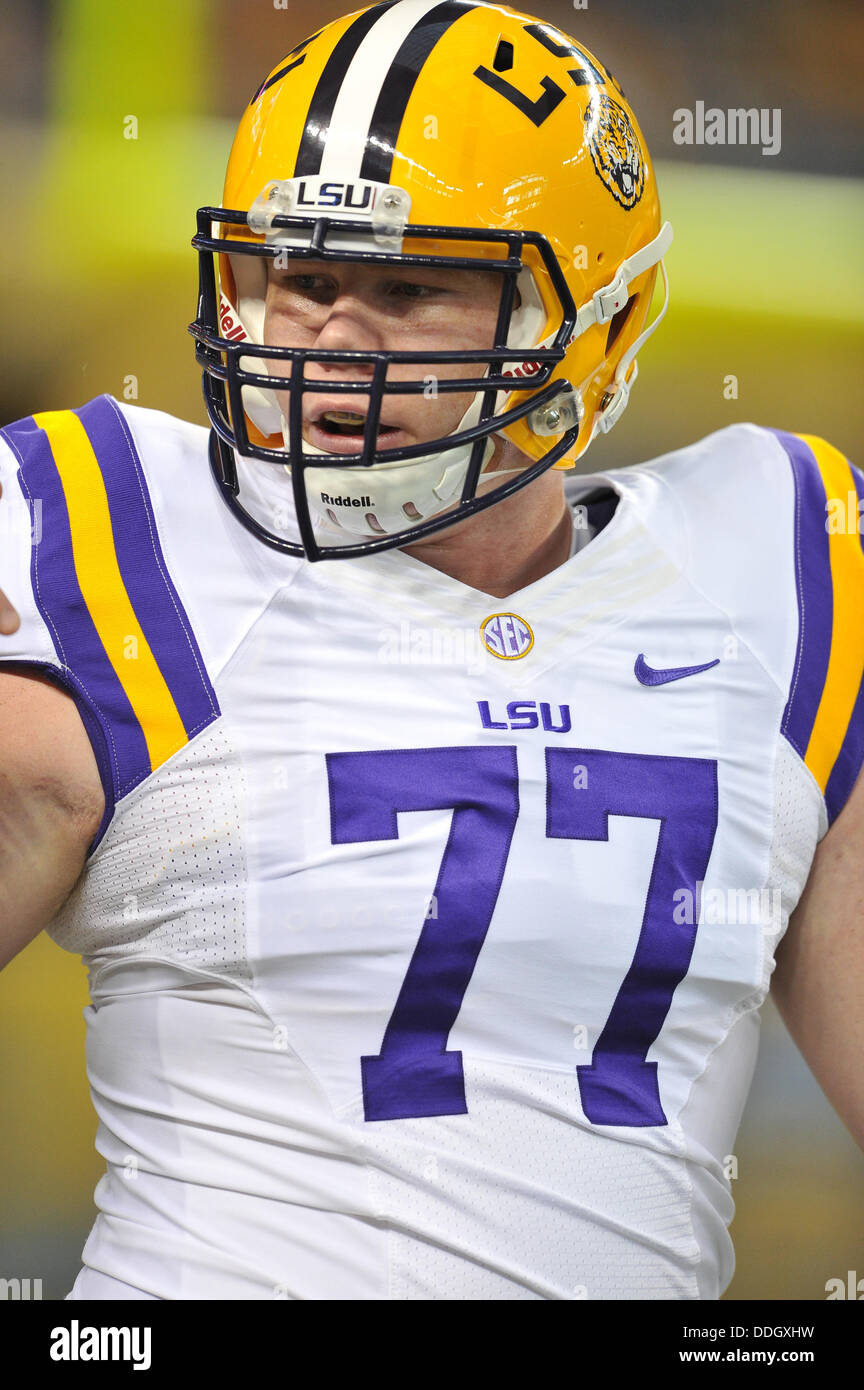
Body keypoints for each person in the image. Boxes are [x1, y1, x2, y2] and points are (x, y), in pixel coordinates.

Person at [0, 0, 861, 1301]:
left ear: (595, 324)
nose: (336, 339)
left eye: (409, 289)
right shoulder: (116, 533)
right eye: (304, 276)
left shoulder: (785, 565)